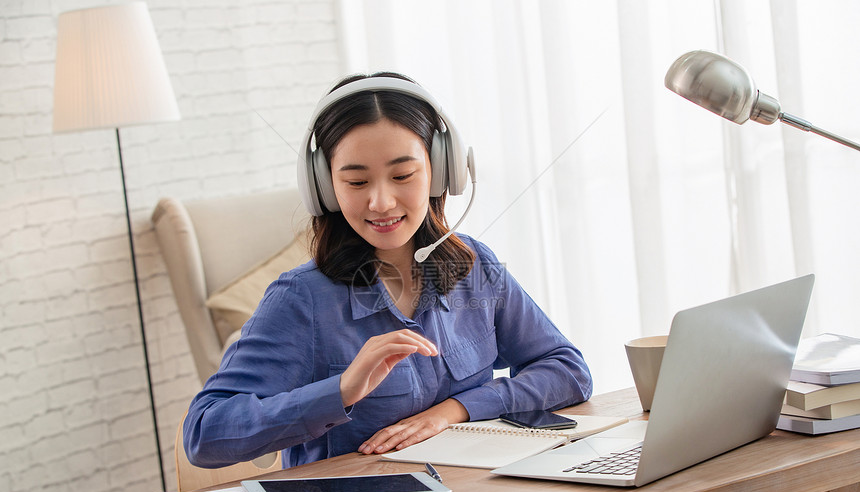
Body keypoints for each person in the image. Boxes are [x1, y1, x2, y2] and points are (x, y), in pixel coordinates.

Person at [183, 72, 593, 469]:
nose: (380, 202)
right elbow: (203, 435)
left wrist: (456, 410)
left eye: (402, 175)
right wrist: (341, 391)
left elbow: (567, 370)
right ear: (325, 188)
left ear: (440, 170)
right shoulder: (301, 299)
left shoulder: (475, 265)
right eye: (357, 183)